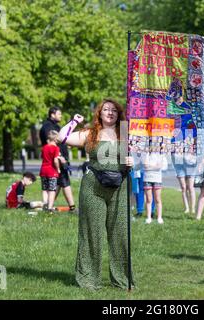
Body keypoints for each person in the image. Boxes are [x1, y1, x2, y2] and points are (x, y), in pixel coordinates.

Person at [58, 98, 134, 289]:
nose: (110, 113)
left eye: (114, 110)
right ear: (99, 113)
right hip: (94, 188)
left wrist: (133, 161)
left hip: (120, 188)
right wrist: (74, 121)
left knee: (120, 235)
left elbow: (138, 154)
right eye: (106, 110)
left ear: (119, 114)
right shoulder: (90, 133)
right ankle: (89, 280)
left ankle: (122, 280)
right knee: (92, 234)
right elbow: (62, 138)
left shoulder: (125, 132)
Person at [39, 106, 76, 212]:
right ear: (52, 114)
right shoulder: (48, 127)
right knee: (65, 182)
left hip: (58, 160)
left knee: (58, 184)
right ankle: (72, 207)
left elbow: (62, 140)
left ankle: (48, 206)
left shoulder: (56, 126)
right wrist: (59, 157)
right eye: (59, 114)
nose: (61, 116)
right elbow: (52, 143)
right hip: (56, 161)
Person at [142, 151, 167, 224]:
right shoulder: (146, 154)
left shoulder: (161, 155)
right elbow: (145, 165)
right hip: (147, 178)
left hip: (157, 179)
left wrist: (151, 166)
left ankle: (159, 217)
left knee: (157, 199)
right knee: (148, 199)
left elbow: (163, 166)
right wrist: (155, 166)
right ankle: (148, 217)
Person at [39, 130, 61, 213]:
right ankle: (50, 207)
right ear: (55, 139)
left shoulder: (44, 147)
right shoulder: (56, 148)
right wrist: (58, 168)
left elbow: (42, 157)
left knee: (45, 189)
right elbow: (55, 160)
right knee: (52, 190)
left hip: (43, 170)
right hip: (52, 171)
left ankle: (45, 204)